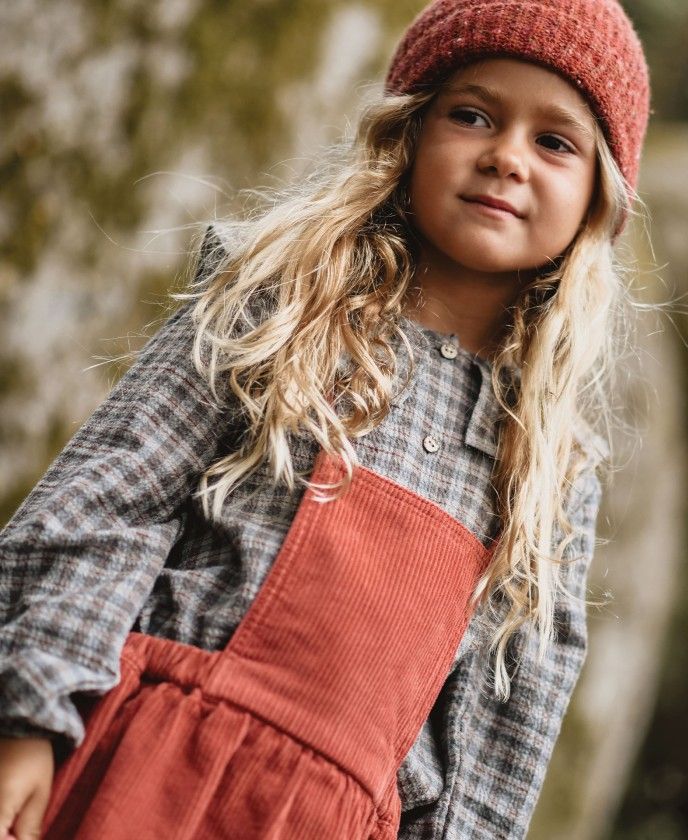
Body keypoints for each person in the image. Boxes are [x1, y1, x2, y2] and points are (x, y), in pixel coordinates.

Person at [0, 0, 650, 837]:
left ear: (599, 199)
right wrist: (28, 711)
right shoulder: (279, 308)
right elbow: (111, 499)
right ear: (408, 135)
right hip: (141, 764)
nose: (506, 157)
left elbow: (501, 736)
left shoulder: (551, 469)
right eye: (473, 114)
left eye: (555, 141)